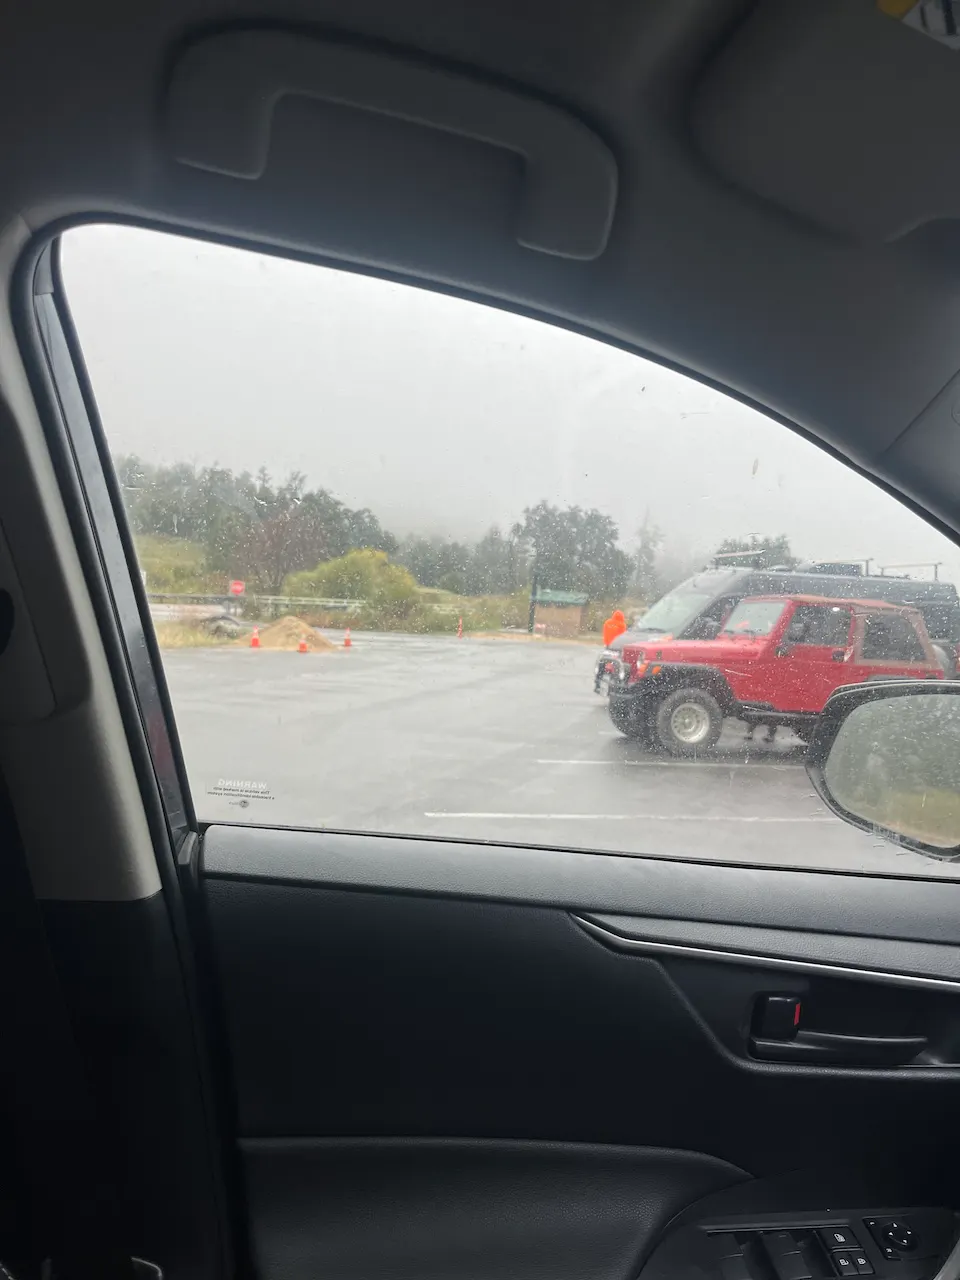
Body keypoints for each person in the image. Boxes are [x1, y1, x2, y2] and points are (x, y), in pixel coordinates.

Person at [595, 609, 628, 692]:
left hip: (607, 647)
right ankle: (613, 684)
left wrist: (607, 643)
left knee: (603, 663)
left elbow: (605, 633)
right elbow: (622, 637)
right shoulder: (622, 625)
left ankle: (598, 681)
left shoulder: (607, 623)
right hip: (617, 648)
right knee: (616, 665)